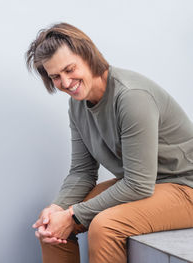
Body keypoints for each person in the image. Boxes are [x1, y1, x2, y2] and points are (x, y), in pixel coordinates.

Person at [25, 22, 193, 263]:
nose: (66, 82)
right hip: (149, 183)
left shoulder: (131, 97)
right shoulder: (77, 104)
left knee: (106, 225)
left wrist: (73, 215)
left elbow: (138, 184)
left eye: (70, 69)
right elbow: (81, 172)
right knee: (51, 225)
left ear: (87, 56)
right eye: (56, 77)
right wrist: (58, 209)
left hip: (185, 186)